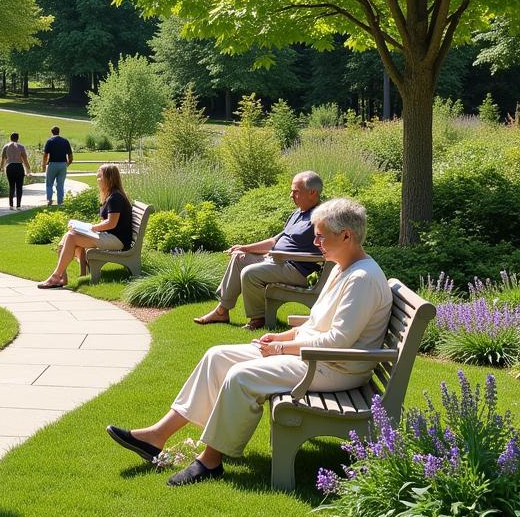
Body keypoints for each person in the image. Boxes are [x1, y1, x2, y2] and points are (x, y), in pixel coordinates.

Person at [106, 197, 392, 487]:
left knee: (241, 376)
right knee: (216, 356)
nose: (316, 242)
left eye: (320, 236)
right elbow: (318, 322)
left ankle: (210, 461)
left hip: (334, 368)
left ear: (346, 235)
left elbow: (337, 341)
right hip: (314, 357)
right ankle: (157, 435)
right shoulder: (342, 267)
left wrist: (281, 349)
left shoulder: (362, 279)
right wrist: (282, 336)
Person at [194, 170, 324, 330]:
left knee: (250, 273)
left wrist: (282, 255)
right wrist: (244, 248)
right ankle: (222, 310)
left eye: (296, 191)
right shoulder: (298, 213)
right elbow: (274, 241)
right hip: (277, 261)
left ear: (312, 193)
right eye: (291, 191)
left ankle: (258, 318)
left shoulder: (321, 217)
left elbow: (325, 248)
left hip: (296, 269)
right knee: (239, 258)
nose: (291, 195)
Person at [37, 164, 132, 289]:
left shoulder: (115, 197)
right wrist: (89, 228)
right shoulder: (111, 195)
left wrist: (92, 228)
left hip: (117, 240)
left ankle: (56, 276)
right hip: (110, 237)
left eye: (100, 176)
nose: (97, 179)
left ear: (109, 178)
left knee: (71, 237)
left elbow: (111, 223)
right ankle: (62, 277)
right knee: (68, 235)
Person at [41, 125, 73, 206]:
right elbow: (70, 155)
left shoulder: (50, 141)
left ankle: (49, 200)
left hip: (52, 164)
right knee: (60, 184)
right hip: (63, 164)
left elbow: (45, 155)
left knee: (49, 184)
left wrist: (44, 165)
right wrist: (67, 164)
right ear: (59, 131)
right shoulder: (65, 141)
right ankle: (60, 201)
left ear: (52, 132)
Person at [0, 132, 31, 209]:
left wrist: (1, 168)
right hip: (19, 167)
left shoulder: (6, 147)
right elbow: (25, 159)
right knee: (19, 187)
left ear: (10, 138)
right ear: (18, 138)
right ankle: (18, 205)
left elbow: (3, 159)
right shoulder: (21, 147)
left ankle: (11, 204)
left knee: (11, 186)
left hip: (10, 167)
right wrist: (28, 170)